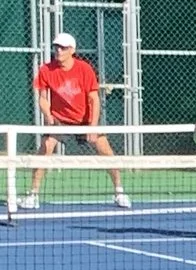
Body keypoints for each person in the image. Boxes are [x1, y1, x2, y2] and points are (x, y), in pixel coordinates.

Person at [27, 29, 130, 209]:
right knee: (45, 148)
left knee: (106, 151)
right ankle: (33, 194)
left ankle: (119, 192)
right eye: (56, 47)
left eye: (63, 48)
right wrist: (49, 116)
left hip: (85, 119)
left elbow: (94, 99)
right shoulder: (46, 70)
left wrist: (92, 126)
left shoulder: (84, 69)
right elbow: (43, 98)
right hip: (60, 120)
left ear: (72, 50)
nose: (58, 51)